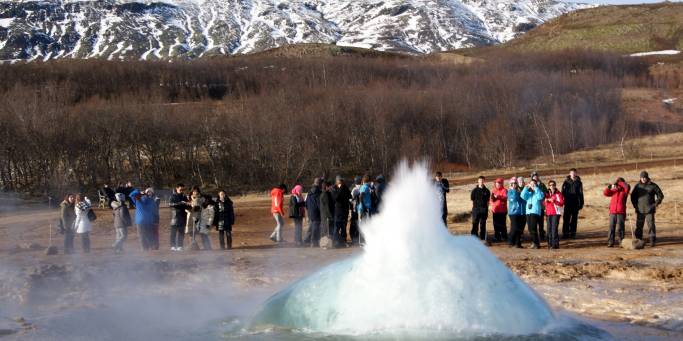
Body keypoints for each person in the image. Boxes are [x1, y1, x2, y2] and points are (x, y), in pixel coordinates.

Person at [631, 171, 664, 247]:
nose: (643, 179)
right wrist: (635, 206)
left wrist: (655, 204)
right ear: (640, 178)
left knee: (651, 225)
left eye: (644, 178)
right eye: (642, 178)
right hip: (640, 210)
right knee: (639, 226)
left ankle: (652, 241)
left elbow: (660, 195)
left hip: (650, 210)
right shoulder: (637, 186)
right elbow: (633, 197)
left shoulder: (653, 186)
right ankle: (638, 240)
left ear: (647, 178)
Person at [604, 177, 630, 247]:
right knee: (611, 227)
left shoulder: (624, 190)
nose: (617, 185)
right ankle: (610, 242)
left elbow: (627, 187)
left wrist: (619, 182)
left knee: (620, 227)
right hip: (612, 211)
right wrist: (609, 187)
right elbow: (606, 193)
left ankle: (621, 242)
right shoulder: (614, 190)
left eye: (619, 183)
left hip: (621, 211)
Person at [521, 180, 545, 249]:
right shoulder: (529, 192)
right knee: (530, 228)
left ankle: (536, 243)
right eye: (531, 184)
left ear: (536, 184)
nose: (532, 185)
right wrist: (525, 188)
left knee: (533, 228)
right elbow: (522, 196)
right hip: (528, 212)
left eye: (533, 184)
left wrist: (535, 188)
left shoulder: (539, 191)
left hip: (535, 211)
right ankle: (534, 242)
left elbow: (540, 197)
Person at [562, 168, 584, 239]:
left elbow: (581, 193)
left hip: (575, 203)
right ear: (569, 174)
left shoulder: (579, 182)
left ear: (576, 173)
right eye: (572, 173)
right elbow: (562, 193)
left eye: (574, 173)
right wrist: (562, 202)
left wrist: (581, 203)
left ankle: (573, 234)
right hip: (567, 203)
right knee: (566, 219)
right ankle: (565, 234)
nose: (573, 174)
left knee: (574, 219)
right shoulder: (566, 182)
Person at [332, 176, 352, 247]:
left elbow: (350, 196)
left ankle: (343, 241)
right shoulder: (334, 188)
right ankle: (335, 241)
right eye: (340, 181)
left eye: (342, 181)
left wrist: (344, 189)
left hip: (345, 210)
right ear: (337, 181)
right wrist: (340, 189)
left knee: (344, 227)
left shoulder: (345, 188)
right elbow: (336, 198)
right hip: (338, 211)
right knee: (337, 227)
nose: (341, 182)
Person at [169, 184, 190, 251]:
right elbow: (170, 204)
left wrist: (190, 206)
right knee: (173, 233)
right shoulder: (173, 196)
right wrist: (180, 203)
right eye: (181, 189)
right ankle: (173, 246)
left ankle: (180, 246)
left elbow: (187, 206)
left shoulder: (184, 197)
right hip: (175, 217)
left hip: (183, 217)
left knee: (181, 232)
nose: (182, 191)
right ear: (177, 188)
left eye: (183, 190)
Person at [544, 180, 564, 249]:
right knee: (549, 229)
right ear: (548, 186)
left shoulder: (558, 193)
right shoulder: (546, 193)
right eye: (550, 185)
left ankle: (555, 244)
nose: (551, 186)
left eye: (553, 185)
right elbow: (544, 204)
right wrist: (545, 201)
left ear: (555, 186)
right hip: (548, 213)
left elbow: (561, 203)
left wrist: (554, 201)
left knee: (554, 229)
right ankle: (549, 244)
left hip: (556, 213)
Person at [507, 177, 526, 248]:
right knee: (514, 228)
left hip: (521, 212)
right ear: (510, 184)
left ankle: (518, 243)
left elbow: (523, 200)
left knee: (520, 229)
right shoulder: (510, 191)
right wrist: (514, 190)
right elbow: (513, 199)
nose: (514, 185)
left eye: (515, 183)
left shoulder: (519, 191)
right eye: (512, 183)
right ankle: (510, 241)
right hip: (513, 212)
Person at [470, 176, 490, 241]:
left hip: (484, 210)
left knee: (483, 224)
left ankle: (482, 238)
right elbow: (472, 198)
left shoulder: (487, 191)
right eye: (480, 180)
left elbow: (487, 201)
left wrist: (487, 209)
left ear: (484, 181)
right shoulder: (474, 190)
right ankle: (474, 238)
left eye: (482, 180)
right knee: (475, 224)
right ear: (478, 181)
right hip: (476, 210)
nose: (481, 182)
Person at [304, 178, 322, 247]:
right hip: (316, 213)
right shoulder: (318, 192)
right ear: (319, 184)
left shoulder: (309, 192)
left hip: (310, 212)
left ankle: (307, 239)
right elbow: (319, 204)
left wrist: (308, 210)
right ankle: (313, 242)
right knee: (315, 228)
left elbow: (306, 203)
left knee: (311, 226)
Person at [531, 172, 548, 240]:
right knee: (534, 222)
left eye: (536, 176)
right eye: (534, 176)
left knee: (541, 222)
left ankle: (541, 235)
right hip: (533, 207)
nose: (535, 177)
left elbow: (546, 193)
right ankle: (534, 236)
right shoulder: (530, 185)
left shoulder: (542, 185)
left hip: (541, 206)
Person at [489, 178, 507, 242]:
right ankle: (497, 237)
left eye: (499, 183)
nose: (498, 184)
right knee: (495, 224)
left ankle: (504, 236)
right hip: (495, 210)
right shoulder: (493, 190)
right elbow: (491, 200)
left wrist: (498, 196)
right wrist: (492, 204)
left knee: (502, 224)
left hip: (502, 210)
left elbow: (505, 197)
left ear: (502, 183)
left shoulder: (504, 190)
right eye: (497, 183)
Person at [349, 176, 362, 245]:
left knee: (353, 225)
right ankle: (359, 239)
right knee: (359, 224)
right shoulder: (362, 187)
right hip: (361, 209)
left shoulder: (354, 189)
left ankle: (354, 239)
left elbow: (351, 200)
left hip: (355, 210)